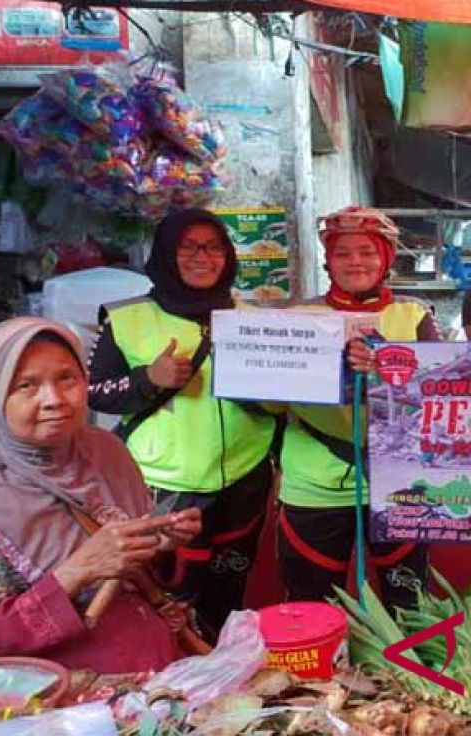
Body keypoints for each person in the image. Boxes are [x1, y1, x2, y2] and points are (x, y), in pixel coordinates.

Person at [0, 318, 202, 672]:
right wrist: (78, 571)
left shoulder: (106, 451)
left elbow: (139, 573)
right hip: (58, 705)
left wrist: (161, 543)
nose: (54, 400)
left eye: (67, 379)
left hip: (160, 672)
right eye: (26, 385)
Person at [87, 209, 277, 633]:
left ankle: (221, 674)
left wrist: (267, 396)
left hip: (245, 480)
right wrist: (149, 379)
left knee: (228, 591)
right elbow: (92, 392)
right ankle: (166, 684)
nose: (201, 257)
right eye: (187, 247)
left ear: (228, 256)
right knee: (165, 597)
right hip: (164, 485)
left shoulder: (254, 320)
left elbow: (278, 404)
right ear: (165, 255)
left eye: (212, 247)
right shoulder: (126, 317)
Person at [279, 206, 438, 610]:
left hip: (399, 478)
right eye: (342, 253)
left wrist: (388, 372)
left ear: (385, 258)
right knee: (311, 601)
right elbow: (268, 398)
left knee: (408, 601)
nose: (355, 262)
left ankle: (404, 673)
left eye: (367, 252)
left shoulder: (414, 315)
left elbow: (438, 395)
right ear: (328, 260)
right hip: (315, 480)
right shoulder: (298, 318)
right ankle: (318, 674)